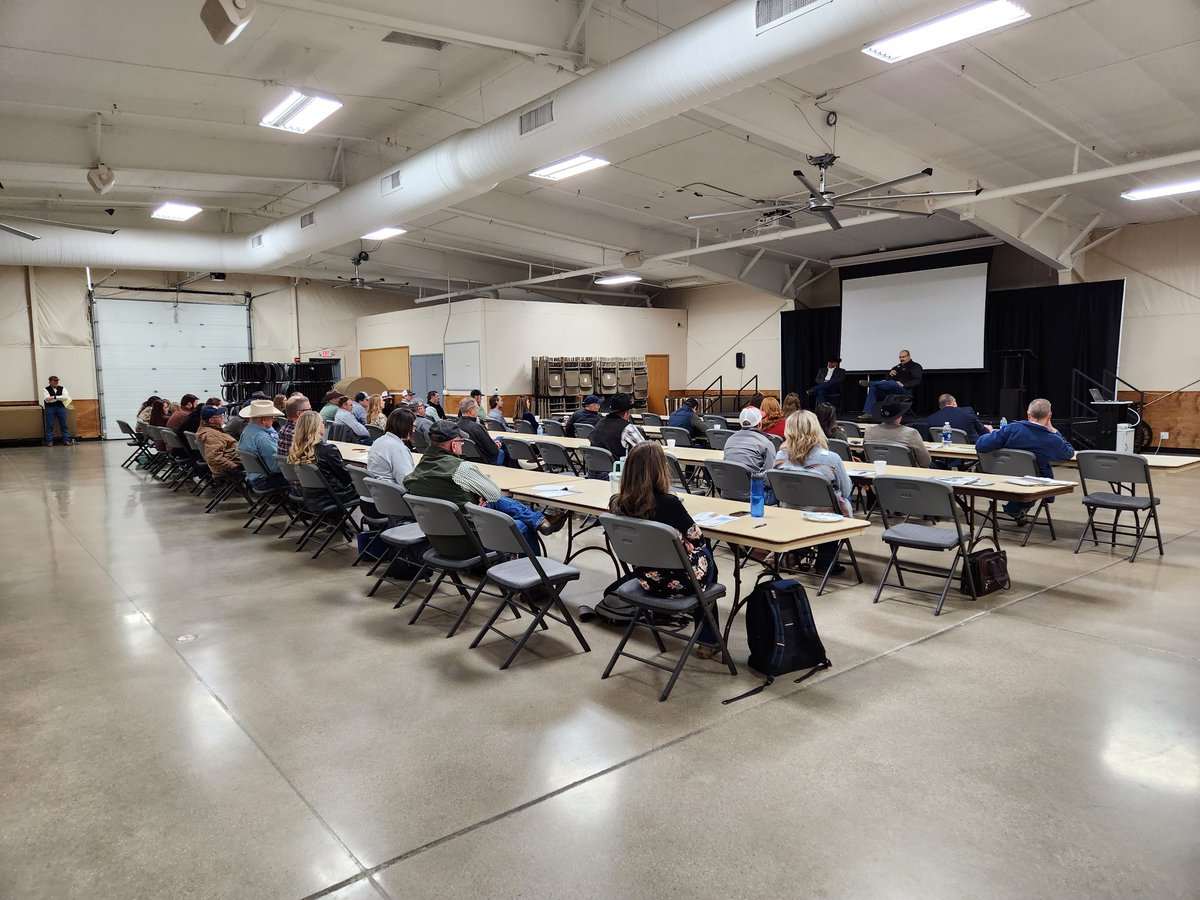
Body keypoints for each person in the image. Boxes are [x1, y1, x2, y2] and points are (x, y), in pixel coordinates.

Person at [608, 441, 720, 656]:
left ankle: (707, 634)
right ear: (660, 469)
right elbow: (698, 540)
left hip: (646, 579)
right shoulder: (669, 504)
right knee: (706, 553)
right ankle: (708, 639)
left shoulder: (617, 503)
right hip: (682, 584)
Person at [403, 419, 566, 557]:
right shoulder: (461, 468)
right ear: (453, 446)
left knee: (491, 501)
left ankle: (538, 521)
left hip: (439, 541)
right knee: (520, 525)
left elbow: (412, 486)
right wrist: (477, 496)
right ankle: (536, 584)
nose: (462, 446)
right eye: (461, 442)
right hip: (471, 542)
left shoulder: (419, 469)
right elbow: (494, 493)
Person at [773, 410, 852, 575]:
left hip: (789, 511)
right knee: (838, 500)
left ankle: (795, 552)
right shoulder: (831, 458)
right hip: (823, 517)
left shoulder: (780, 455)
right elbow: (845, 490)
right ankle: (825, 563)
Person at [976, 398, 1075, 524]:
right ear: (1049, 415)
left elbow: (981, 445)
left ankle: (1014, 508)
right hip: (1035, 482)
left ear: (1028, 414)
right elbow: (1069, 452)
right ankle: (1016, 508)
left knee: (1025, 475)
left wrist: (990, 433)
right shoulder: (1052, 439)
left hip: (1003, 477)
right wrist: (1054, 430)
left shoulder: (1011, 429)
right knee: (1034, 475)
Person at [287, 411, 357, 505]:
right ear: (315, 427)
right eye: (322, 423)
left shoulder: (297, 450)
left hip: (310, 495)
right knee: (365, 490)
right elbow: (345, 477)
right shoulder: (327, 450)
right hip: (333, 495)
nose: (324, 425)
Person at [721, 407, 777, 503]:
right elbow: (769, 479)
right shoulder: (766, 443)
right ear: (760, 424)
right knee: (783, 495)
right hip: (753, 496)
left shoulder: (729, 440)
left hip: (727, 493)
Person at [863, 394, 931, 467]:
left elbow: (868, 458)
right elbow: (925, 462)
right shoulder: (911, 433)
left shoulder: (869, 431)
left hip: (880, 473)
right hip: (908, 475)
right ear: (899, 416)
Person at [237, 398, 287, 487]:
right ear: (263, 420)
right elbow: (276, 467)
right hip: (266, 480)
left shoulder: (247, 431)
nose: (274, 419)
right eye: (272, 417)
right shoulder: (263, 438)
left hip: (254, 477)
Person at [860, 349, 923, 420]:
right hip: (890, 390)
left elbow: (917, 380)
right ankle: (869, 413)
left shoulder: (915, 366)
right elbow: (887, 378)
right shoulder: (897, 367)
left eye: (903, 357)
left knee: (892, 383)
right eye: (900, 357)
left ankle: (871, 383)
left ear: (909, 356)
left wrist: (903, 384)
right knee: (874, 388)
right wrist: (889, 374)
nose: (901, 359)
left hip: (904, 391)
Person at [589, 392, 645, 462]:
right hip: (617, 470)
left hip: (594, 469)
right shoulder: (627, 428)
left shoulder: (600, 423)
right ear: (625, 414)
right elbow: (644, 449)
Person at [367, 407, 416, 484]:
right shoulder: (398, 449)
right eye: (413, 426)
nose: (414, 430)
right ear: (405, 426)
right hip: (393, 492)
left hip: (380, 490)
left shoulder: (379, 441)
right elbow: (406, 482)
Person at [195, 405, 241, 477]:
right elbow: (214, 458)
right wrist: (234, 466)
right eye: (219, 416)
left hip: (232, 462)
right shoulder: (211, 435)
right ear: (211, 420)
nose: (222, 417)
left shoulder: (208, 430)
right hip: (230, 467)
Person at [927, 393, 993, 444]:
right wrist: (988, 429)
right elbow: (982, 431)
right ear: (953, 402)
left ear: (940, 406)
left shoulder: (931, 419)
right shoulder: (967, 411)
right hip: (969, 451)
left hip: (945, 455)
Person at [457, 398, 505, 465]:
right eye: (476, 408)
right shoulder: (477, 427)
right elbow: (493, 451)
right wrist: (496, 445)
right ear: (471, 410)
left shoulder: (455, 427)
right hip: (485, 461)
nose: (478, 411)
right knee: (502, 449)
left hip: (465, 460)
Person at [42, 375, 73, 446]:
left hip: (61, 407)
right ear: (50, 382)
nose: (56, 382)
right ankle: (49, 441)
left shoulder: (63, 388)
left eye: (57, 381)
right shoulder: (45, 389)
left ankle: (66, 440)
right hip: (50, 408)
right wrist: (59, 398)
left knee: (64, 424)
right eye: (54, 381)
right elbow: (47, 400)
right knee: (50, 425)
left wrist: (54, 397)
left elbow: (66, 397)